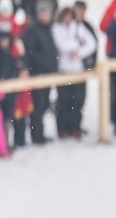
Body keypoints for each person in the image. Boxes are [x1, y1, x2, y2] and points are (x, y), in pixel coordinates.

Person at [52, 6, 96, 139]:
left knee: (77, 101)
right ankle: (62, 128)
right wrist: (77, 44)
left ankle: (75, 127)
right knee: (63, 101)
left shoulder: (78, 27)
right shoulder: (57, 29)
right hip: (63, 70)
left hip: (78, 70)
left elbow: (92, 44)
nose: (68, 19)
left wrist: (79, 53)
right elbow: (61, 45)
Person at [21, 1, 58, 145]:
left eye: (47, 13)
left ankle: (39, 133)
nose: (45, 15)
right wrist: (41, 64)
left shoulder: (48, 28)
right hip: (37, 73)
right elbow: (30, 52)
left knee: (43, 104)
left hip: (47, 73)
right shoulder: (32, 30)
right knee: (37, 105)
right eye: (43, 12)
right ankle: (36, 135)